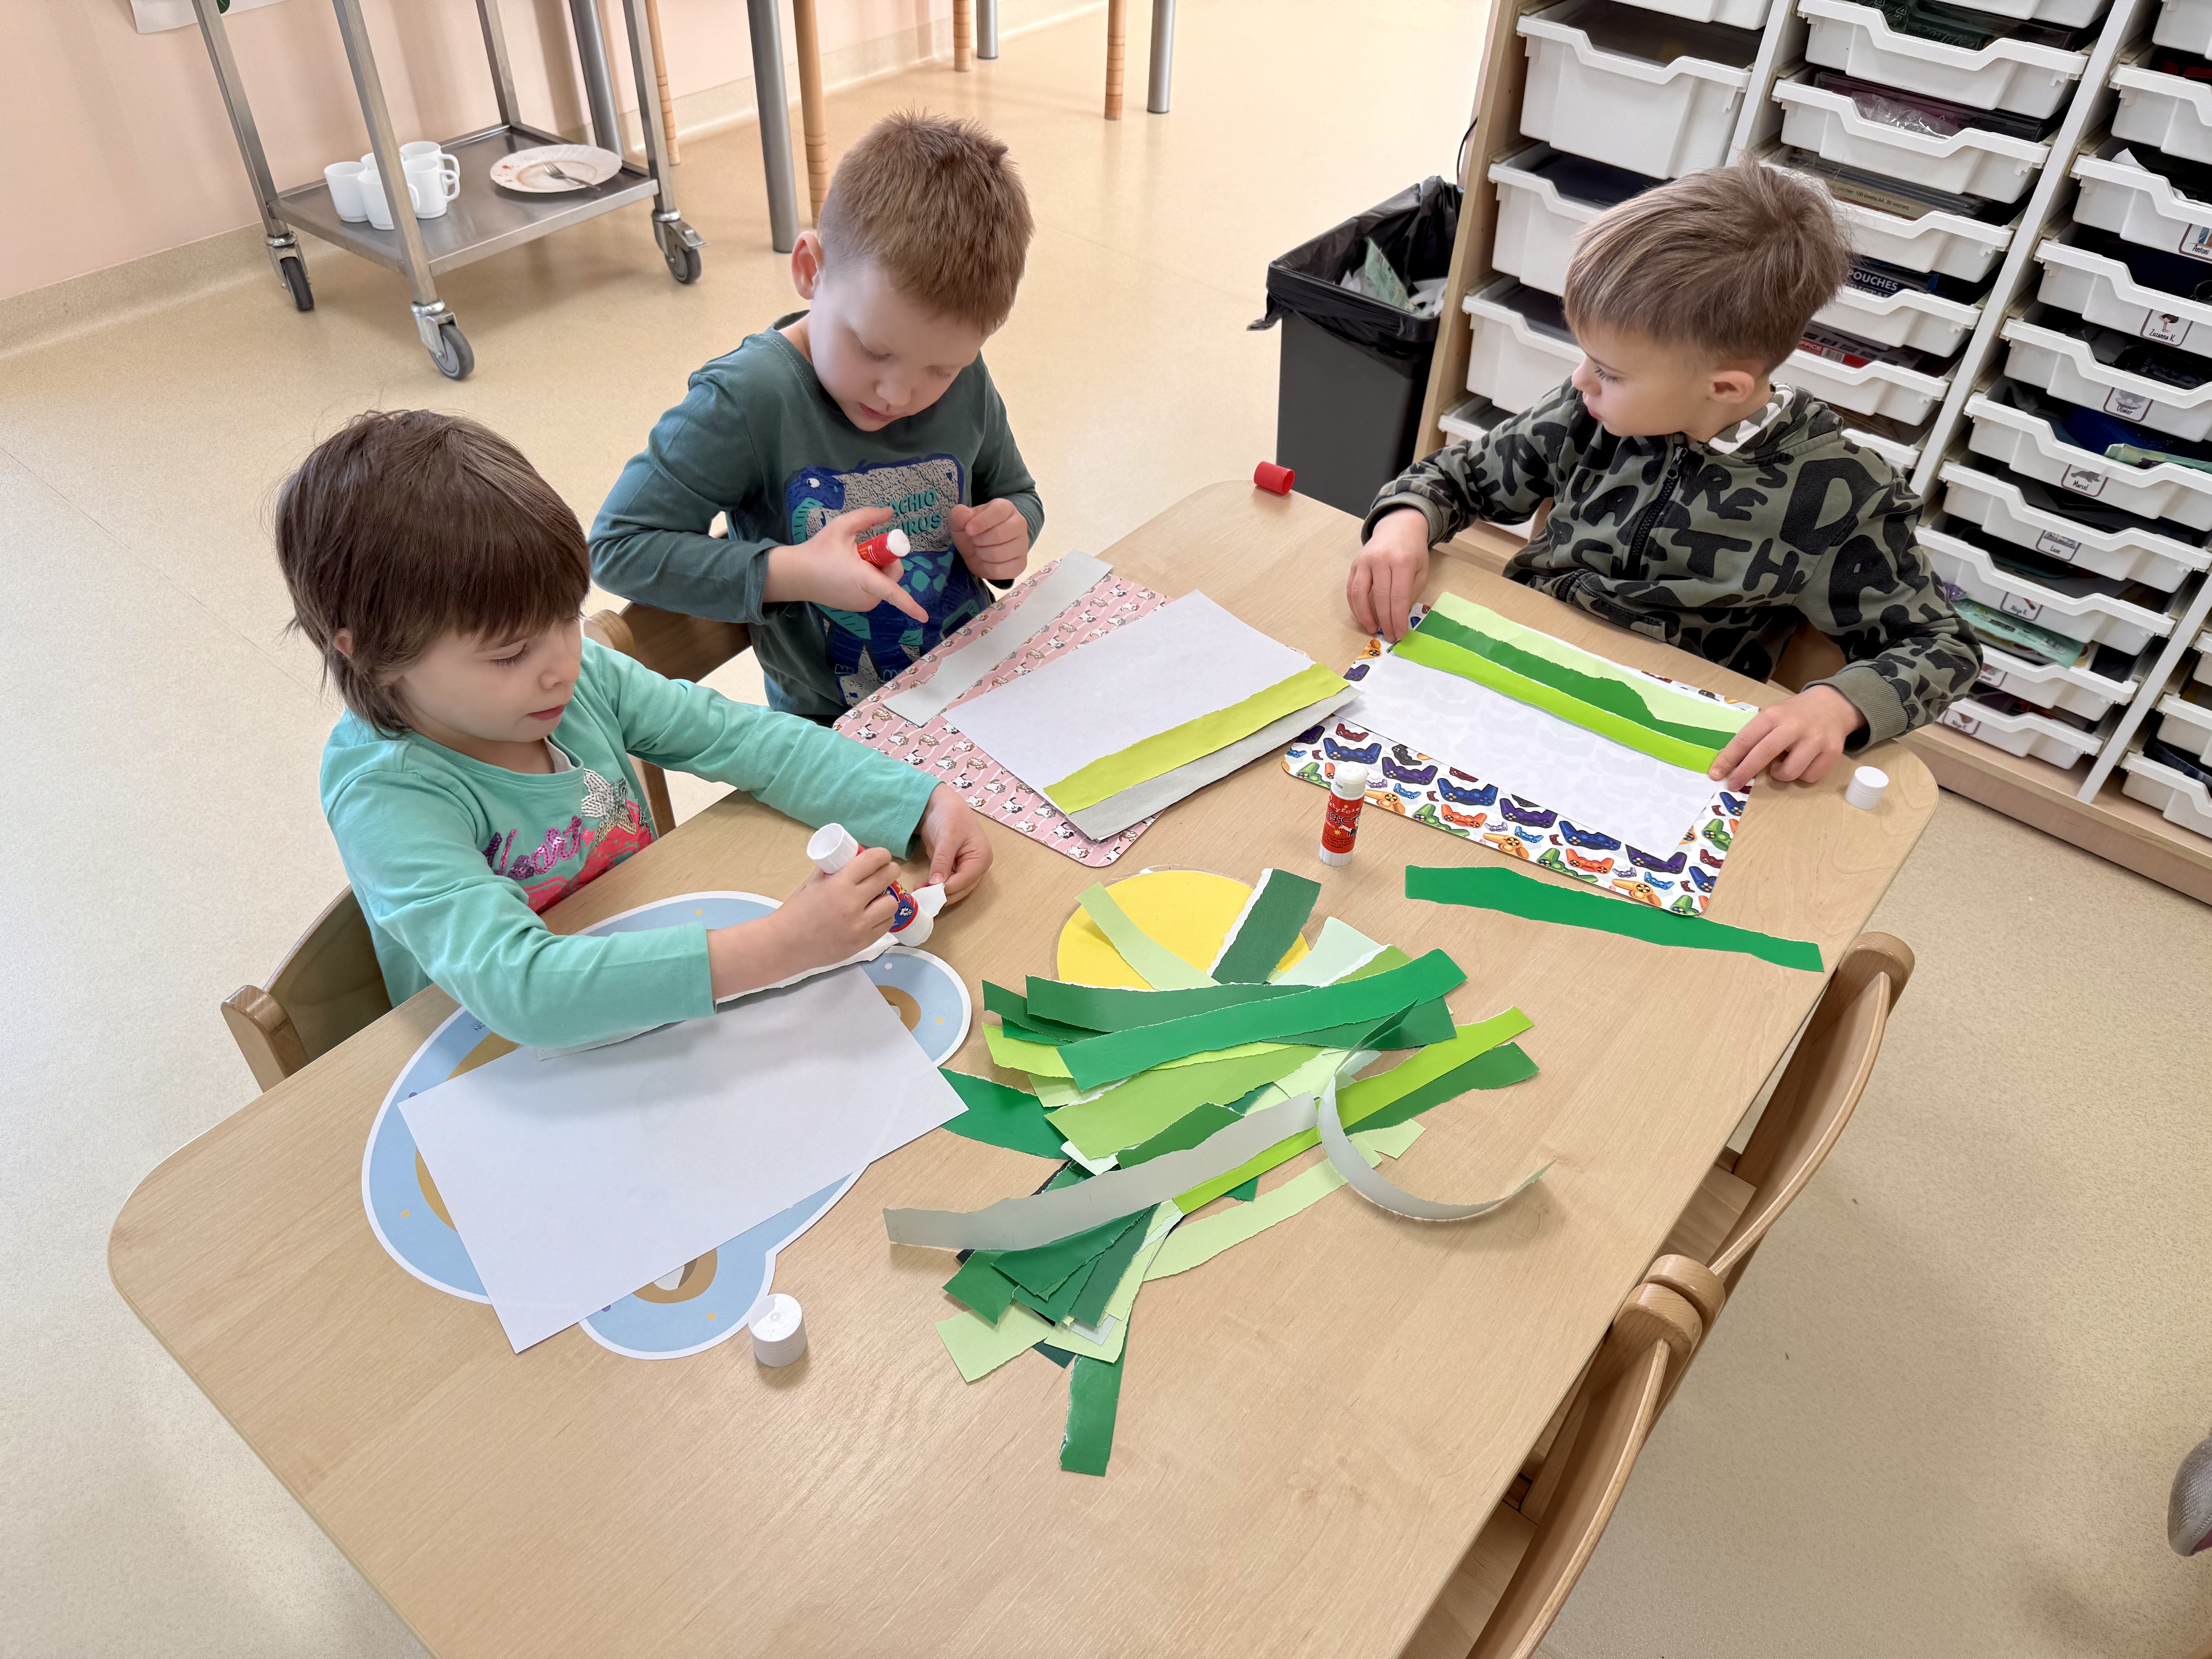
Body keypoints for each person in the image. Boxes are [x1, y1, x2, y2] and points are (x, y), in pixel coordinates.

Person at [278, 410, 992, 1050]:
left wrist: (920, 802)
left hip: (657, 1002)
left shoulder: (581, 675)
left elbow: (746, 740)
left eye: (565, 620)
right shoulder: (388, 794)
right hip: (504, 1060)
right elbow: (522, 987)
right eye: (509, 655)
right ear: (372, 655)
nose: (560, 667)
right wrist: (781, 945)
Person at [1348, 162, 1980, 791]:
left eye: (1609, 372)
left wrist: (1835, 707)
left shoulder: (1840, 494)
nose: (1581, 380)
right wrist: (1405, 523)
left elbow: (1942, 645)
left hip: (1663, 737)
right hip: (1521, 664)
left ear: (1725, 388)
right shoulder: (1589, 409)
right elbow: (1460, 477)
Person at [591, 110, 1043, 723]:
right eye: (873, 350)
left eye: (940, 370)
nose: (897, 394)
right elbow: (618, 547)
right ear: (811, 269)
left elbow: (1015, 492)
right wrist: (793, 572)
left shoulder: (966, 376)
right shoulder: (748, 399)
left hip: (976, 686)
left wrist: (1009, 532)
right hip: (837, 730)